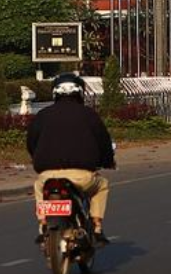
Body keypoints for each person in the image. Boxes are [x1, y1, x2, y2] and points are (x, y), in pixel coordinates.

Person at [27, 73, 115, 245]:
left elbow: (31, 143)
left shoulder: (43, 115)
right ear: (80, 93)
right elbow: (103, 142)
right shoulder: (89, 115)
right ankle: (97, 226)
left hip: (48, 176)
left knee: (39, 186)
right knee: (102, 186)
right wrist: (108, 161)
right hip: (82, 176)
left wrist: (39, 158)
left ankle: (43, 223)